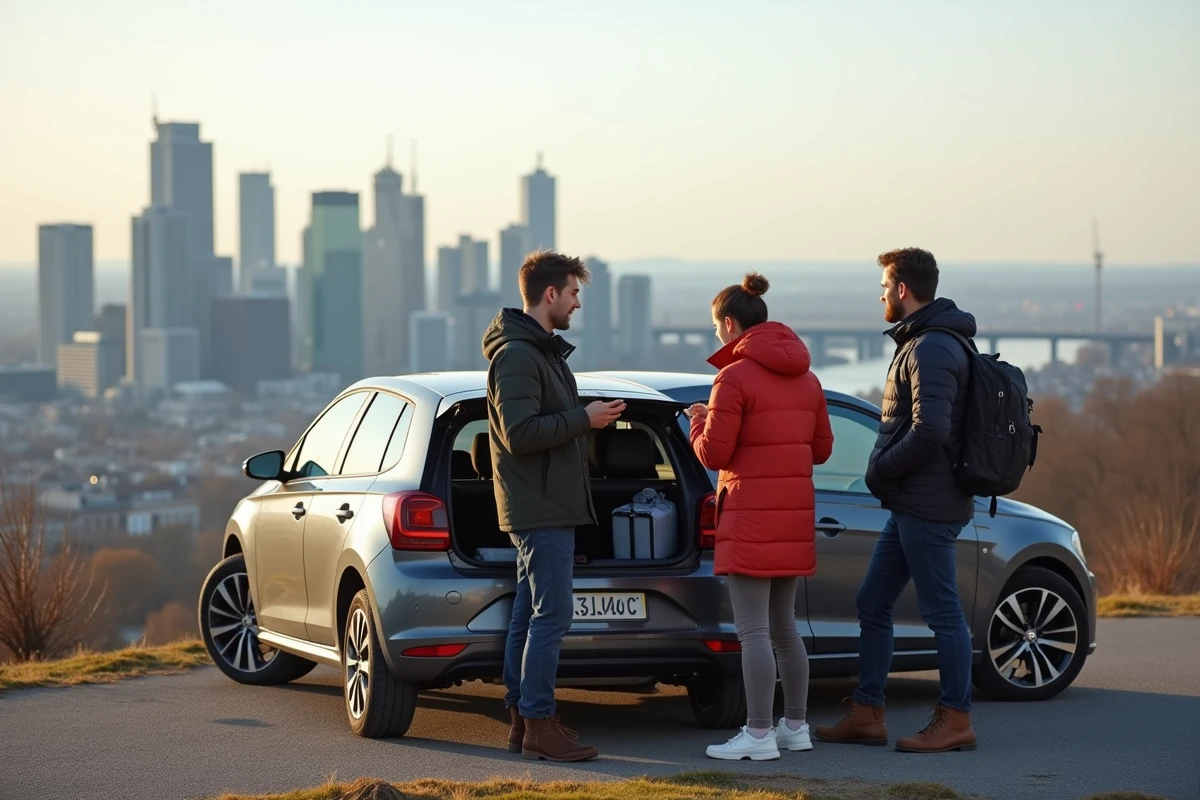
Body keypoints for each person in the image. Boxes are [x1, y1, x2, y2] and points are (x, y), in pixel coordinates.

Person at [814, 247, 978, 753]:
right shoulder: (923, 341)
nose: (881, 294)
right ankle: (867, 713)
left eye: (884, 286)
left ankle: (955, 719)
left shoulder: (931, 347)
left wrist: (881, 469)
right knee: (873, 601)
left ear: (902, 289)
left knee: (942, 610)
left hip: (927, 503)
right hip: (913, 502)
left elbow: (931, 430)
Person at [482, 250, 625, 762]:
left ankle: (523, 723)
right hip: (539, 508)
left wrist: (591, 417)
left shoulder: (538, 352)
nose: (577, 304)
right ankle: (540, 722)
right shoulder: (518, 356)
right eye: (573, 293)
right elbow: (519, 434)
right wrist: (585, 419)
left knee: (528, 615)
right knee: (553, 616)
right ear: (550, 295)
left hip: (546, 504)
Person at [686, 272, 834, 761]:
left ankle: (757, 733)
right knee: (786, 628)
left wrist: (699, 420)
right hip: (792, 519)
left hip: (750, 516)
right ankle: (795, 726)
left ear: (730, 324)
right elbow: (822, 451)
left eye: (714, 327)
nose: (715, 336)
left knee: (752, 632)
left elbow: (713, 453)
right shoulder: (809, 378)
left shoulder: (733, 377)